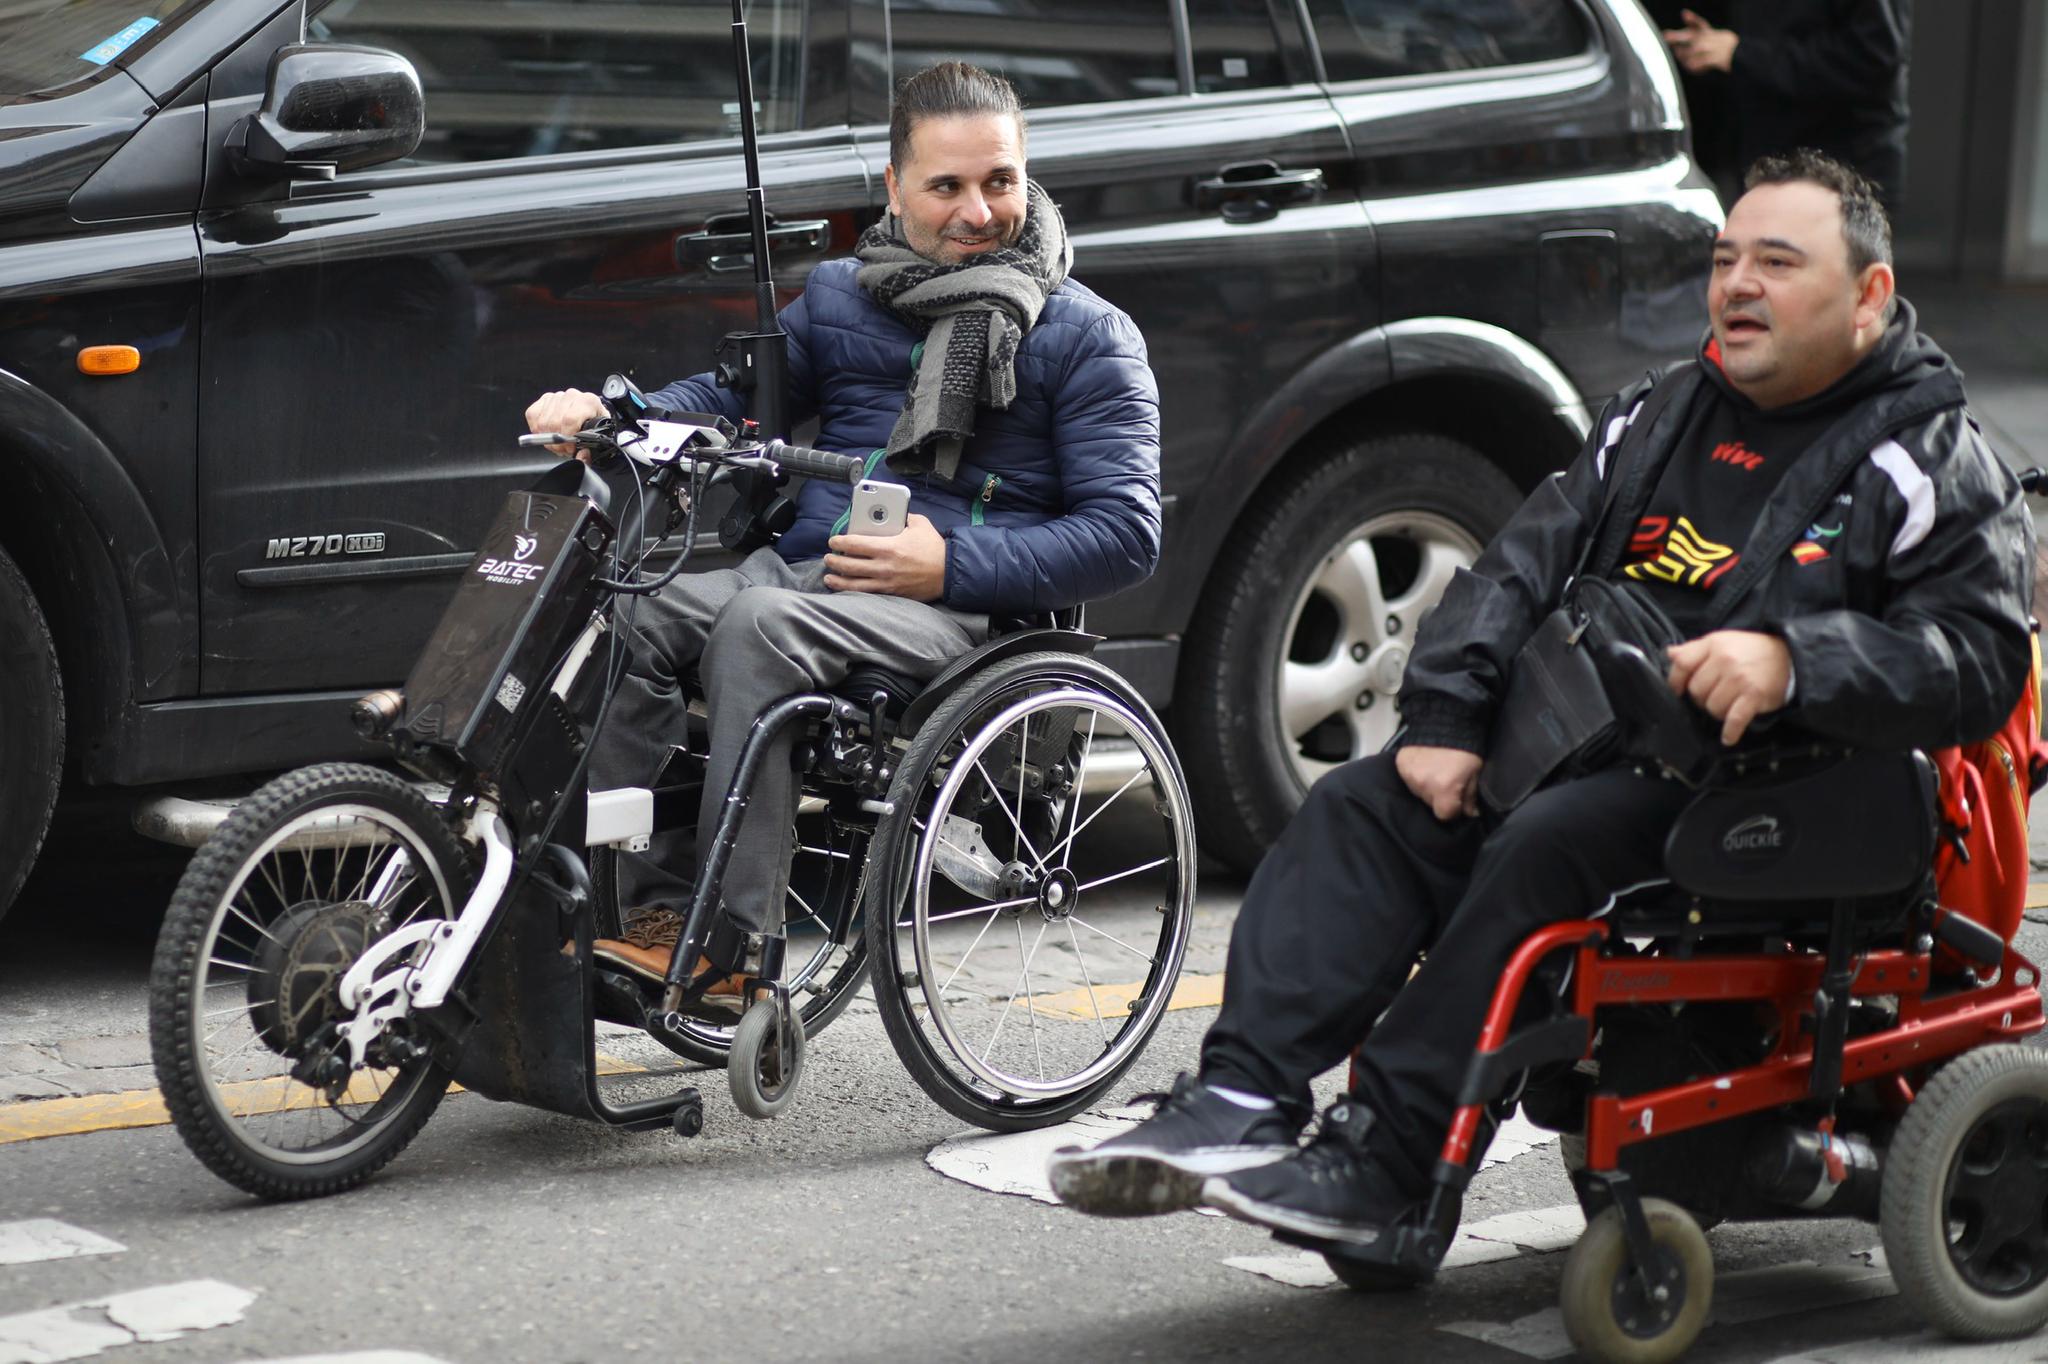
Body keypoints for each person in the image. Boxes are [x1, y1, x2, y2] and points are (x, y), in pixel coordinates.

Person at [1048, 150, 2032, 1245]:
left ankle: (1383, 1162)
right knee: (1362, 806)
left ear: (1866, 298)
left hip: (1785, 787)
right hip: (1591, 743)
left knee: (1546, 848)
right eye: (1723, 259)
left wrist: (1793, 659)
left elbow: (1977, 661)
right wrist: (1444, 719)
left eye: (1775, 261)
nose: (1735, 284)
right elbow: (1515, 566)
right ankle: (1237, 1097)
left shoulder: (1931, 460)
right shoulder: (1659, 414)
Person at [524, 62, 1160, 1009]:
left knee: (757, 630)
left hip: (964, 615)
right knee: (629, 616)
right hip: (814, 576)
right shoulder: (840, 296)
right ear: (895, 188)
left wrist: (948, 562)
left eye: (1000, 181)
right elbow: (734, 406)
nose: (978, 211)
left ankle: (738, 948)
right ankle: (638, 915)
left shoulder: (1085, 335)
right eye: (946, 186)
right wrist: (616, 414)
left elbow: (1126, 533)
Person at [1664, 2, 1912, 213]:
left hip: (1843, 170)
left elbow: (1874, 58)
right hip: (1764, 163)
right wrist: (1713, 50)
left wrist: (1742, 55)